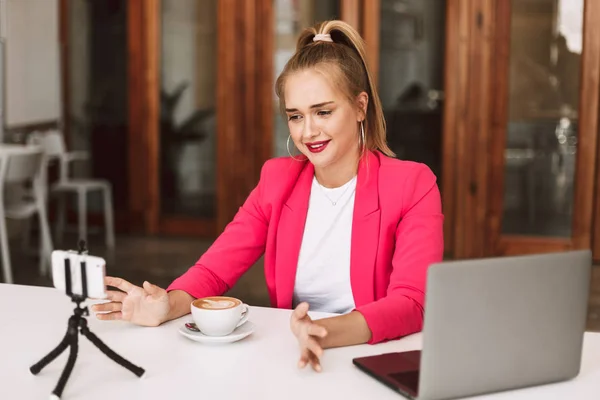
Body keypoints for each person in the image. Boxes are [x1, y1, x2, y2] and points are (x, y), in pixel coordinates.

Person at [93, 20, 444, 372]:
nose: (309, 131)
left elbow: (413, 303)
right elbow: (214, 270)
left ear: (359, 106)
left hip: (373, 355)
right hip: (297, 356)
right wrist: (167, 306)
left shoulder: (412, 184)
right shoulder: (278, 179)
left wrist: (322, 331)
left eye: (323, 111)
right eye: (296, 116)